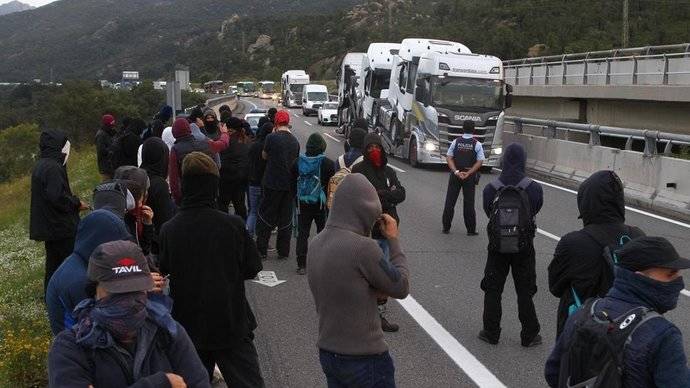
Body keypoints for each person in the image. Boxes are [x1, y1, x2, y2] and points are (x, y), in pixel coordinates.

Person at [159, 152, 265, 387]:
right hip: (230, 321)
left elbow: (163, 268)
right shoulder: (233, 225)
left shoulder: (170, 229)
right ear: (213, 186)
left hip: (188, 326)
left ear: (185, 184)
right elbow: (252, 267)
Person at [48, 240, 210, 387]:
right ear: (94, 291)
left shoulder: (167, 331)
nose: (129, 300)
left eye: (136, 290)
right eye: (117, 292)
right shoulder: (71, 347)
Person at [545, 236, 690, 388]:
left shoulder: (583, 312)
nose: (679, 282)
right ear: (640, 278)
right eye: (670, 274)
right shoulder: (663, 335)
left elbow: (553, 372)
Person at [307, 173, 409, 388]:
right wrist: (393, 239)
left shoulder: (316, 243)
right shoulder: (364, 248)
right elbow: (400, 286)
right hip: (365, 358)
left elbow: (348, 284)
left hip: (329, 352)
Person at [548, 170, 645, 338]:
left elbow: (555, 287)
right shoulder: (638, 237)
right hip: (627, 336)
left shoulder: (573, 243)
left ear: (586, 203)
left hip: (580, 338)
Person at [479, 143, 544, 347]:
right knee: (524, 289)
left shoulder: (492, 188)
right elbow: (535, 208)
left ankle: (491, 332)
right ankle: (529, 334)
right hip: (524, 246)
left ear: (504, 160)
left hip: (497, 246)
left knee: (493, 288)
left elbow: (489, 212)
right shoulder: (533, 187)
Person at [45, 210, 132, 335]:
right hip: (77, 344)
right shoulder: (79, 280)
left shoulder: (84, 259)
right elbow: (102, 323)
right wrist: (141, 290)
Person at [352, 133, 406, 333]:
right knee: (363, 275)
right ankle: (360, 313)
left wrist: (381, 194)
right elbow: (357, 197)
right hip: (364, 231)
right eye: (369, 147)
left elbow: (401, 193)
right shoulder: (358, 171)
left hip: (385, 231)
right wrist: (384, 195)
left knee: (384, 275)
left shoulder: (389, 171)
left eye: (377, 146)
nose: (374, 150)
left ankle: (380, 314)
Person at [30, 130, 88, 293]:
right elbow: (57, 197)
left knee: (53, 265)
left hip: (50, 226)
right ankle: (71, 295)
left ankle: (51, 295)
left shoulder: (42, 164)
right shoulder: (53, 168)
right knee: (70, 263)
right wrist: (76, 203)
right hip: (61, 226)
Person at [256, 110, 300, 260]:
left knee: (266, 216)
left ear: (275, 122)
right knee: (285, 218)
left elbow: (264, 156)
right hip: (289, 184)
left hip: (272, 182)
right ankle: (283, 251)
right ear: (288, 122)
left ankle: (261, 249)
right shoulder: (295, 141)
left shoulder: (271, 137)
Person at [293, 133, 335, 275]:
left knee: (303, 233)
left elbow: (292, 178)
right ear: (322, 147)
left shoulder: (298, 161)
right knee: (322, 233)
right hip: (320, 203)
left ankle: (301, 264)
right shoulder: (328, 163)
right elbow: (332, 184)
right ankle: (322, 262)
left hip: (303, 202)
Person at [168, 117, 229, 205]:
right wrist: (224, 133)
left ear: (174, 133)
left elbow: (174, 180)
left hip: (188, 195)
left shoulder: (175, 150)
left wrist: (178, 200)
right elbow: (223, 144)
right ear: (189, 129)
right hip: (208, 193)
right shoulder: (206, 143)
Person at [442, 120, 484, 235]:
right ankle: (470, 230)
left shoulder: (456, 142)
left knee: (450, 202)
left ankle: (446, 227)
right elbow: (480, 161)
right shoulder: (477, 144)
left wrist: (456, 171)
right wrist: (469, 173)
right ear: (474, 129)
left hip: (456, 175)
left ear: (463, 129)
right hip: (469, 177)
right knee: (469, 203)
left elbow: (449, 157)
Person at [141, 137, 176, 256]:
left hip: (139, 238)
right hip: (154, 244)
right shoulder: (159, 184)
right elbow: (164, 220)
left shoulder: (138, 175)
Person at [114, 166, 155, 256]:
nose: (146, 196)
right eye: (143, 193)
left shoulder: (131, 214)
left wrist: (147, 224)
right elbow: (142, 252)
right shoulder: (123, 223)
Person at [219, 116, 250, 219]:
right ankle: (242, 229)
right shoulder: (246, 141)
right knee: (240, 206)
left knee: (223, 206)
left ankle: (224, 230)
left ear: (230, 129)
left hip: (226, 178)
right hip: (241, 178)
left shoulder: (225, 141)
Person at [246, 122, 272, 238]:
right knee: (264, 214)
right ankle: (262, 241)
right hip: (265, 183)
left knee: (253, 212)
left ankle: (248, 236)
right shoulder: (269, 147)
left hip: (252, 182)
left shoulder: (253, 145)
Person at [96, 114, 117, 180]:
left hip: (111, 166)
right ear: (106, 125)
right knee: (107, 185)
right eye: (111, 125)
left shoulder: (108, 134)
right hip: (105, 167)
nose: (112, 127)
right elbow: (101, 151)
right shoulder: (101, 135)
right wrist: (112, 150)